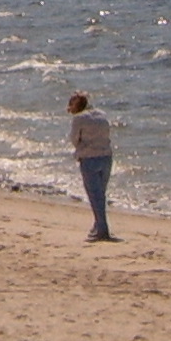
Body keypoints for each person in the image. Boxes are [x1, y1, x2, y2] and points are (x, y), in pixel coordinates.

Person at [67, 92, 115, 242]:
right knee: (101, 194)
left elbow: (74, 139)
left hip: (89, 158)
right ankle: (98, 225)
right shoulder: (102, 114)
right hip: (106, 157)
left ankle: (102, 230)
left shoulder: (78, 119)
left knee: (95, 196)